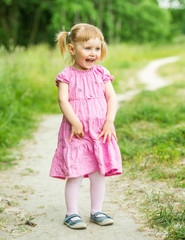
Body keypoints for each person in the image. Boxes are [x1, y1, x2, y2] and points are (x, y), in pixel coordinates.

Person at [50, 23, 122, 229]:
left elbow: (111, 97)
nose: (93, 53)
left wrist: (109, 121)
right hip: (77, 133)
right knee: (75, 173)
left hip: (100, 132)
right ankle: (71, 214)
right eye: (88, 48)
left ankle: (96, 211)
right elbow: (63, 101)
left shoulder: (101, 73)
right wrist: (75, 122)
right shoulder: (67, 75)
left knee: (98, 173)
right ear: (72, 49)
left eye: (97, 49)